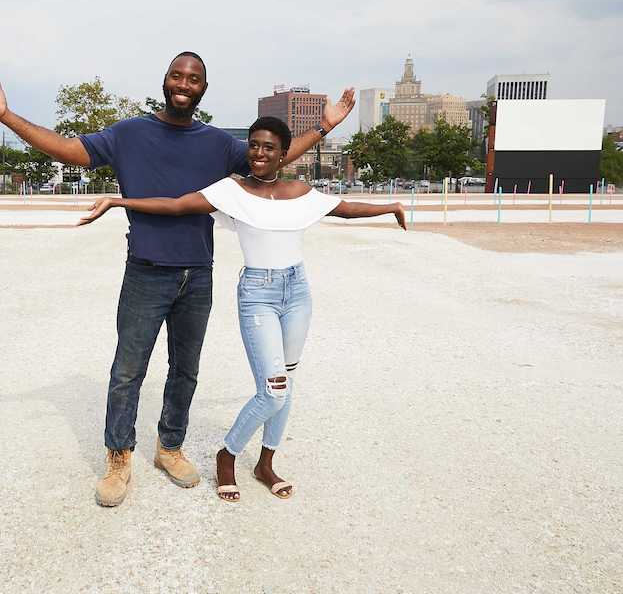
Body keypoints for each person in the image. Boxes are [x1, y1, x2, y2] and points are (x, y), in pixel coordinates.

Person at [0, 53, 356, 507]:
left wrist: (323, 128)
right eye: (177, 75)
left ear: (203, 89)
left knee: (185, 371)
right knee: (127, 371)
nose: (184, 84)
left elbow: (271, 156)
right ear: (165, 81)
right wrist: (5, 115)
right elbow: (68, 149)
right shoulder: (129, 134)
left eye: (194, 79)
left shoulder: (217, 144)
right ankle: (118, 457)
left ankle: (169, 448)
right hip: (146, 271)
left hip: (198, 275)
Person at [78, 116, 406, 502]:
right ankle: (226, 454)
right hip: (257, 291)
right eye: (253, 145)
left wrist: (391, 206)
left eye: (269, 148)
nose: (259, 153)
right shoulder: (231, 191)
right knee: (274, 387)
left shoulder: (300, 190)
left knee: (286, 383)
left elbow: (345, 208)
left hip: (297, 291)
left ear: (284, 155)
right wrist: (120, 200)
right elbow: (177, 205)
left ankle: (266, 462)